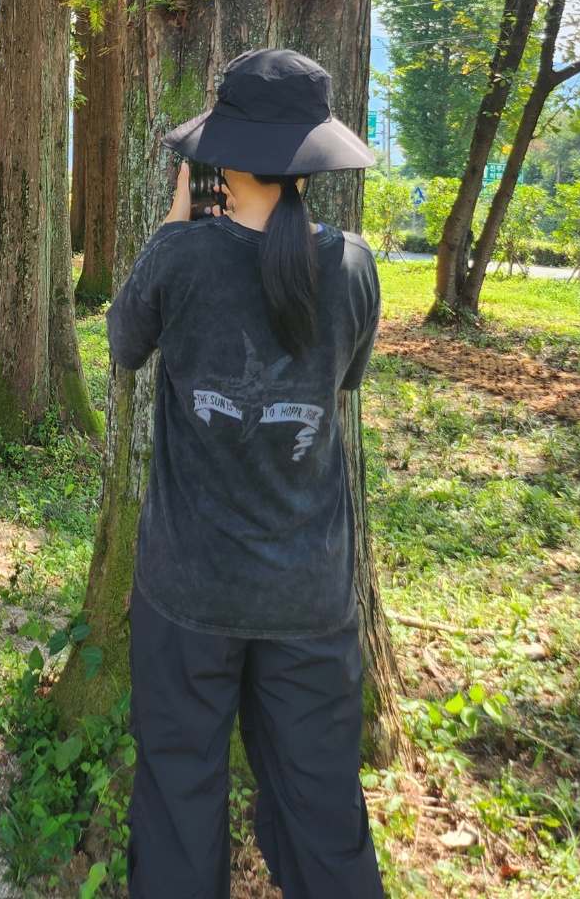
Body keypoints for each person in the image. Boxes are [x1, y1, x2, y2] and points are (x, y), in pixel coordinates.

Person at [106, 48, 385, 899]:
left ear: (222, 158)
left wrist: (170, 227)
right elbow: (344, 382)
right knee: (322, 816)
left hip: (189, 591)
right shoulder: (353, 266)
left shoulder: (181, 258)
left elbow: (122, 347)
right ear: (309, 160)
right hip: (310, 596)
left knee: (180, 797)